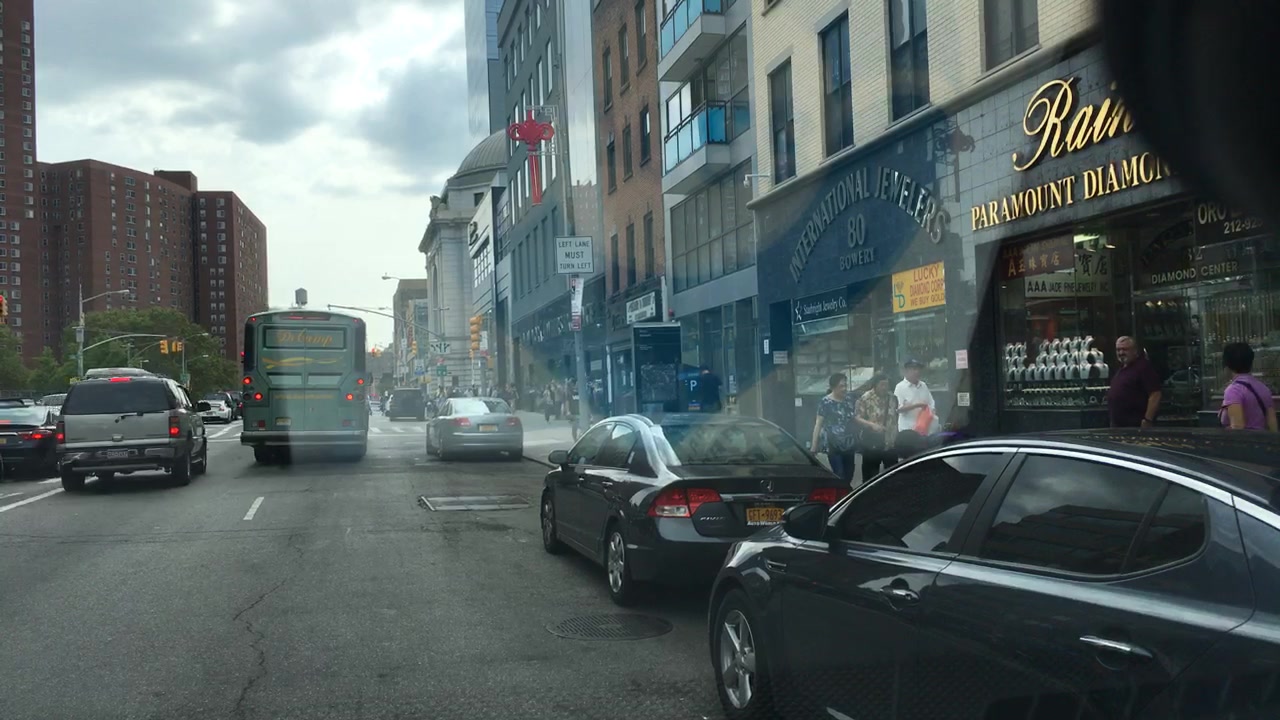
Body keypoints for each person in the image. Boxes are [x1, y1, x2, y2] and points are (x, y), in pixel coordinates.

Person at [810, 373, 859, 485]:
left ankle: (846, 492)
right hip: (833, 444)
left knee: (850, 473)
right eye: (841, 386)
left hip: (849, 443)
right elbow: (818, 424)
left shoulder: (849, 400)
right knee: (839, 474)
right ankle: (841, 494)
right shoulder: (825, 402)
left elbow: (854, 418)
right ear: (833, 387)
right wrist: (814, 446)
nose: (844, 389)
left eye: (845, 385)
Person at [1219, 341, 1278, 431]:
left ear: (1227, 367)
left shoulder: (1233, 390)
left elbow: (1237, 428)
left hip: (1244, 440)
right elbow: (1273, 426)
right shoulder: (1263, 388)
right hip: (1263, 439)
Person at [1107, 336, 1161, 428]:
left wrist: (1148, 419)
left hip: (1135, 426)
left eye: (1125, 349)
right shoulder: (1122, 369)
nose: (1121, 353)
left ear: (1135, 351)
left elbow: (1155, 394)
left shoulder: (1143, 367)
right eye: (1118, 350)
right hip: (1119, 426)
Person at [854, 374, 896, 482]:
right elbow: (857, 418)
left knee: (893, 475)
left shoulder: (892, 397)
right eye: (882, 385)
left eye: (886, 385)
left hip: (889, 442)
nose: (885, 387)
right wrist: (872, 425)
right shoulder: (866, 398)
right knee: (870, 477)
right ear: (875, 385)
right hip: (872, 443)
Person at [895, 359, 937, 435]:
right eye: (914, 369)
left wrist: (931, 412)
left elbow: (931, 403)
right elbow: (898, 409)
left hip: (925, 429)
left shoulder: (923, 385)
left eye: (919, 369)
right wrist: (916, 405)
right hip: (908, 428)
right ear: (906, 371)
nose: (917, 372)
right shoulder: (900, 387)